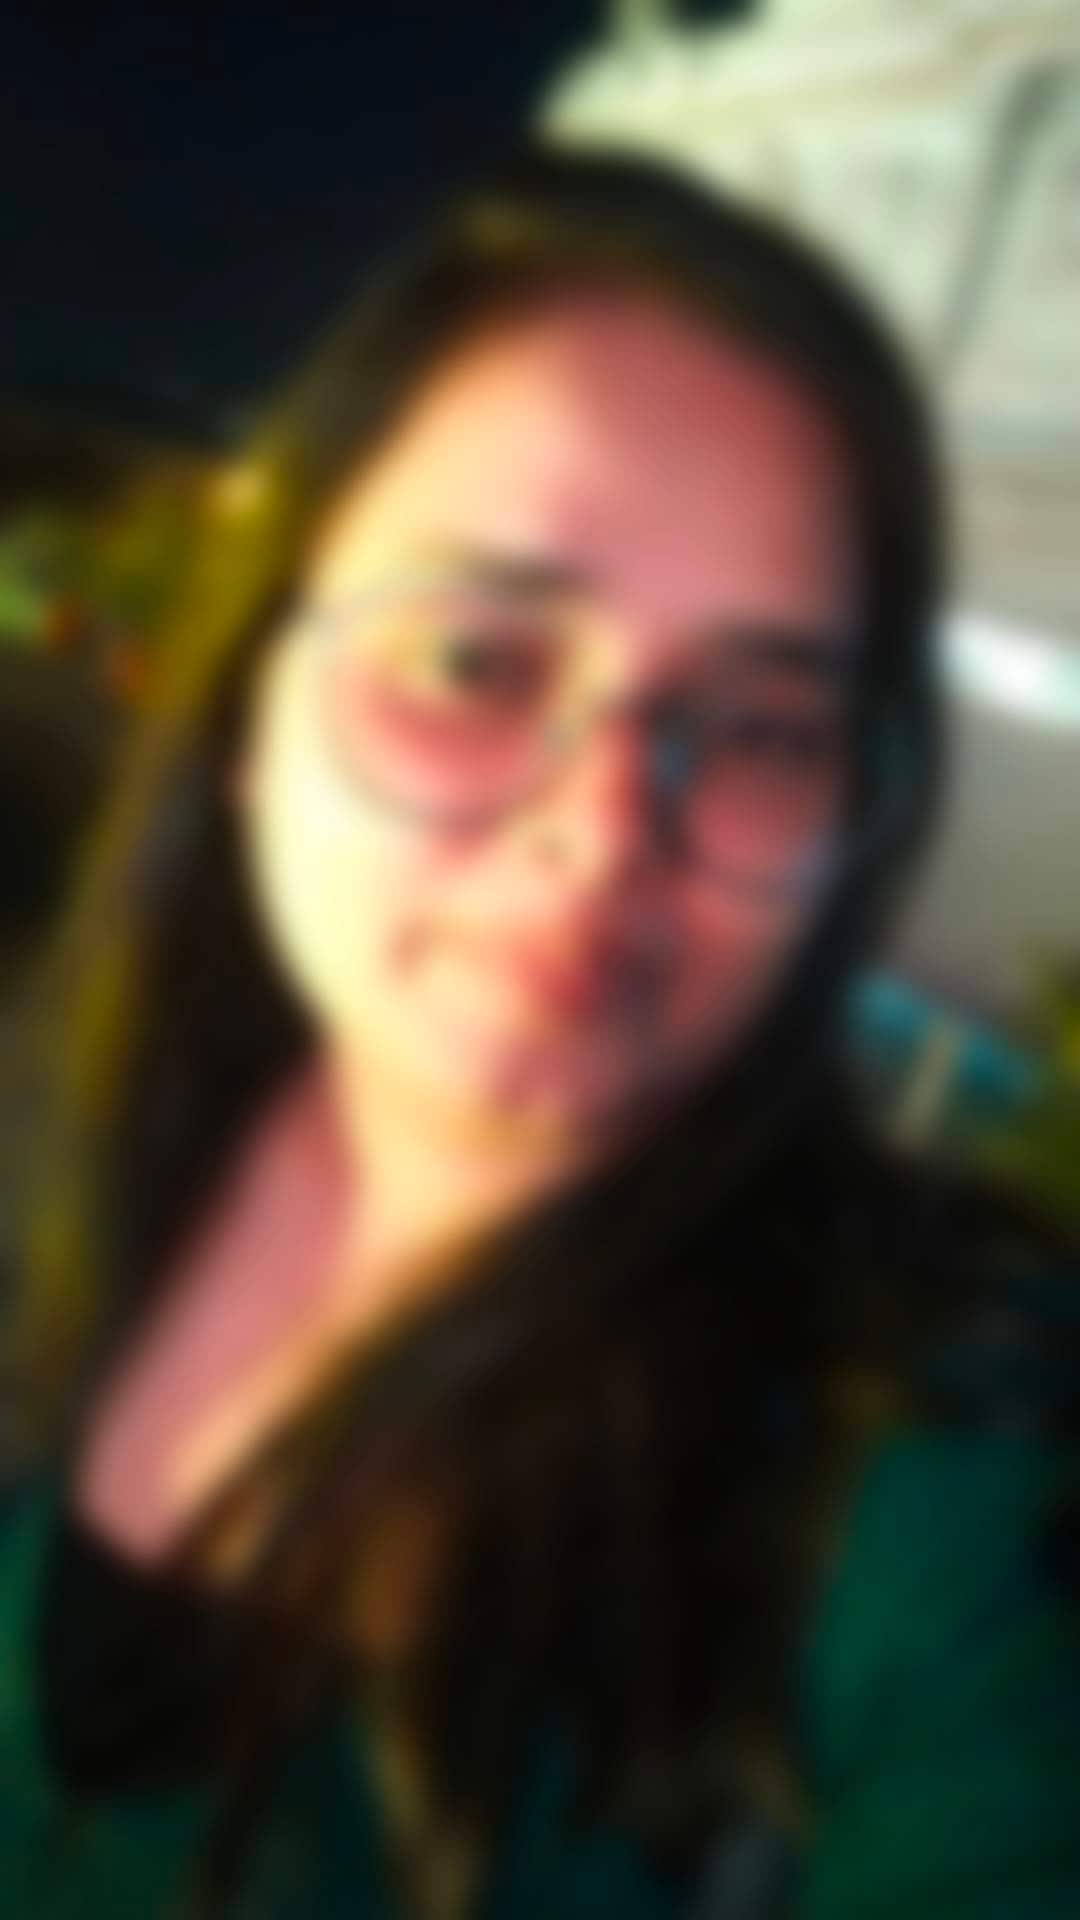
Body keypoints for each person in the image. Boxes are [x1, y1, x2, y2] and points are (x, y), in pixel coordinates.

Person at [2, 142, 1079, 1920]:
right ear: (254, 707)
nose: (603, 829)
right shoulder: (59, 1127)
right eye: (476, 662)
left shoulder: (955, 1467)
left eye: (761, 727)